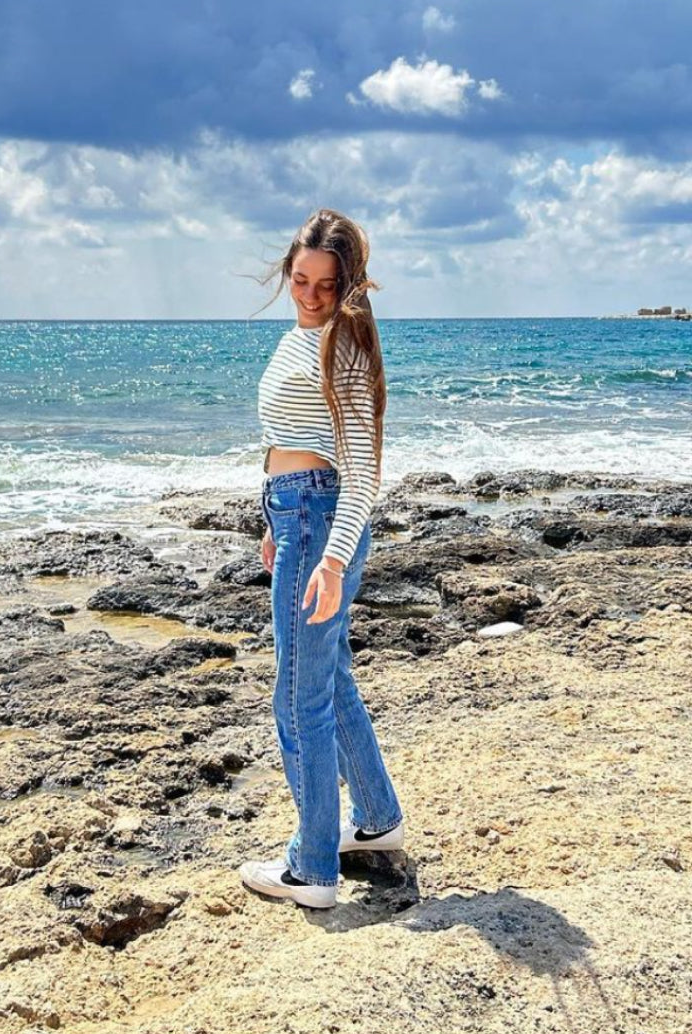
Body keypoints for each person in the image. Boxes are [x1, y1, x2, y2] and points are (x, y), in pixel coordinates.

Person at [238, 209, 404, 909]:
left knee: (298, 695)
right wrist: (272, 520)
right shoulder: (298, 339)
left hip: (320, 520)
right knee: (327, 677)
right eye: (299, 279)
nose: (308, 294)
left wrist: (330, 563)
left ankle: (313, 870)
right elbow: (287, 438)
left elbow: (362, 470)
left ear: (349, 285)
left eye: (325, 285)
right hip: (296, 515)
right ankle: (377, 821)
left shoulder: (346, 346)